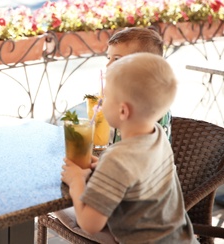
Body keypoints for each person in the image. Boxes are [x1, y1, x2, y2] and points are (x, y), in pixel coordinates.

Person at [61, 52, 198, 243]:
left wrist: (77, 182)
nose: (100, 103)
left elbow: (90, 223)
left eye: (105, 97)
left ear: (123, 111)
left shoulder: (117, 160)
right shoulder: (158, 135)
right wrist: (103, 168)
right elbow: (136, 173)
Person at [106, 27, 172, 143]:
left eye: (117, 59)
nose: (108, 65)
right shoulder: (124, 95)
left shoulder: (149, 106)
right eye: (108, 58)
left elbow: (144, 157)